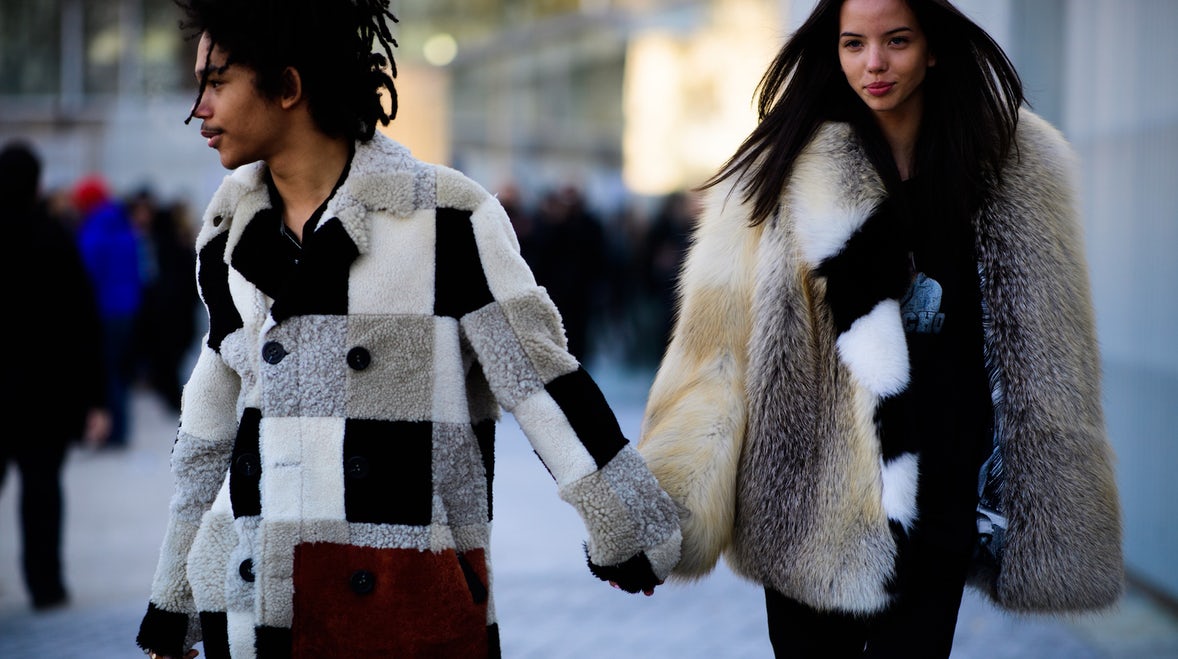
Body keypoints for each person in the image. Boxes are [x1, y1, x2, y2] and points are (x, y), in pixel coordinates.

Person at [135, 2, 680, 658]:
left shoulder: (445, 217)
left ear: (287, 86)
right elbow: (207, 429)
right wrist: (174, 600)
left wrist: (627, 525)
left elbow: (540, 376)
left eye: (215, 82)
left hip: (403, 601)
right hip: (252, 604)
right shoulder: (230, 233)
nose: (199, 109)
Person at [636, 0, 1123, 657]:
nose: (874, 63)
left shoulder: (1011, 167)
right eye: (853, 43)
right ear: (832, 51)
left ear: (931, 47)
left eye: (896, 40)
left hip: (941, 498)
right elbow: (713, 356)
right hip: (808, 507)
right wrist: (660, 516)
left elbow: (1054, 356)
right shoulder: (778, 172)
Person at [0, 141, 111, 611]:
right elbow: (83, 324)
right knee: (42, 493)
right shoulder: (54, 238)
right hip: (44, 397)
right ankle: (46, 586)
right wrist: (97, 399)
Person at [72, 173, 144, 448]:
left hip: (104, 311)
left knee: (106, 372)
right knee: (119, 372)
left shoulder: (93, 230)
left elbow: (85, 274)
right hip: (127, 309)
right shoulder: (122, 226)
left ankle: (111, 432)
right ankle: (121, 429)